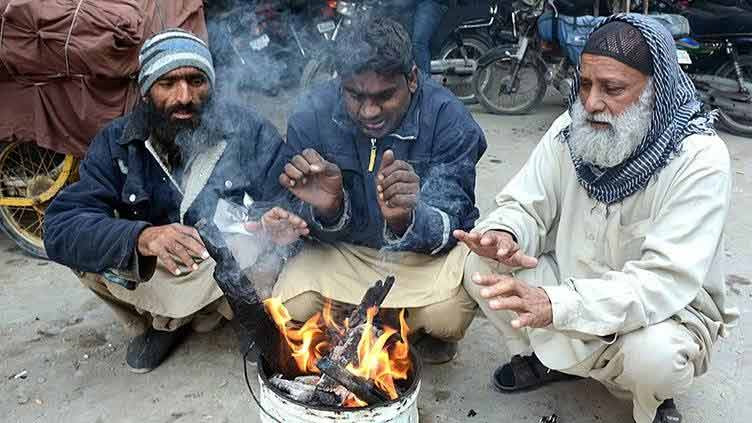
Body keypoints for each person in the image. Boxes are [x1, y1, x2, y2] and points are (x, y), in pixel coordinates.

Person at [455, 14, 738, 423]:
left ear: (656, 89)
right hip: (569, 287)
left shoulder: (698, 159)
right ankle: (548, 360)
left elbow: (663, 281)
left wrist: (559, 304)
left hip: (660, 312)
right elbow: (526, 203)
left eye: (613, 88)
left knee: (655, 358)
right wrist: (505, 230)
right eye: (585, 84)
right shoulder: (571, 130)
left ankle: (654, 401)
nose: (590, 103)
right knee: (481, 266)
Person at [43, 28, 305, 373]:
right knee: (90, 251)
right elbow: (60, 226)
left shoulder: (248, 130)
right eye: (168, 83)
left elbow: (287, 200)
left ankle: (247, 314)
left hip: (226, 262)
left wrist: (275, 220)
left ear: (211, 85)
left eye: (196, 80)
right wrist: (140, 238)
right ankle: (159, 323)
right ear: (147, 90)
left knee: (266, 252)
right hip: (160, 269)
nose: (184, 96)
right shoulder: (117, 144)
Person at [271, 17, 487, 364]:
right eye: (355, 95)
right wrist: (330, 208)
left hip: (420, 261)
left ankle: (379, 325)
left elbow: (456, 221)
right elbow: (293, 216)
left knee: (447, 316)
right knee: (290, 303)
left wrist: (409, 219)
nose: (369, 111)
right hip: (345, 252)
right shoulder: (310, 115)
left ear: (413, 79)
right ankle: (386, 325)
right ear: (339, 83)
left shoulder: (450, 119)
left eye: (385, 95)